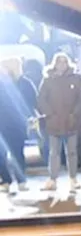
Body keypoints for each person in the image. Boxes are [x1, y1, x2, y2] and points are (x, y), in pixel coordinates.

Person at [36, 53, 81, 192]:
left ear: (68, 63)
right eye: (59, 62)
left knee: (72, 152)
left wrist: (75, 114)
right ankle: (52, 179)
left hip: (71, 122)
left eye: (64, 61)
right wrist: (49, 114)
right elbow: (41, 99)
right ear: (54, 63)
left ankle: (73, 179)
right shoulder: (48, 80)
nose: (62, 64)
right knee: (54, 152)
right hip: (53, 123)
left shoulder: (76, 79)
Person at [0, 58, 33, 193]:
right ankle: (6, 180)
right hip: (2, 124)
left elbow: (31, 100)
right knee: (1, 154)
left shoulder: (24, 83)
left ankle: (21, 180)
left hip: (17, 124)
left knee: (17, 152)